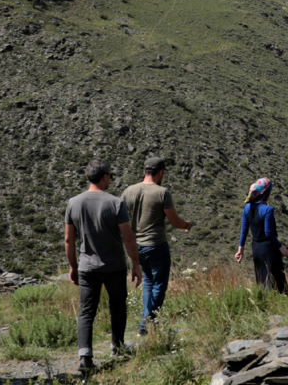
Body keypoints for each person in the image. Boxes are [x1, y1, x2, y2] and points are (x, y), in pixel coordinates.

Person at [64, 159, 143, 374]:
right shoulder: (116, 203)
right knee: (117, 306)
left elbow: (69, 240)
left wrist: (73, 266)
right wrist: (136, 264)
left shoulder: (73, 203)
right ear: (105, 177)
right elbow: (128, 238)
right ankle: (117, 347)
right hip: (114, 266)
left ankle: (85, 357)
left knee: (86, 311)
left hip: (87, 267)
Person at [121, 155, 192, 335]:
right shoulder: (161, 192)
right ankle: (147, 324)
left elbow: (120, 218)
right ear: (160, 173)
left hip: (136, 246)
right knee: (159, 284)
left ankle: (147, 322)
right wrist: (186, 225)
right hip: (156, 244)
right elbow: (174, 221)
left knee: (148, 282)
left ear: (144, 171)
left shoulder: (128, 191)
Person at [235, 177, 288, 293]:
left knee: (262, 278)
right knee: (276, 279)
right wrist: (282, 248)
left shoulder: (247, 208)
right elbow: (269, 233)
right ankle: (279, 303)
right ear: (265, 193)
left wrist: (240, 249)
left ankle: (263, 303)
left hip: (256, 248)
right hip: (269, 248)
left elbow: (244, 230)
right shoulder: (268, 210)